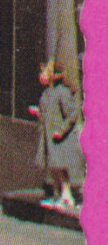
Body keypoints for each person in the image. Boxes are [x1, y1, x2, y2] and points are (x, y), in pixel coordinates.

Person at [34, 60, 85, 208]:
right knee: (54, 167)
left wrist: (61, 130)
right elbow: (47, 110)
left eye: (44, 72)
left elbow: (72, 114)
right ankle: (58, 195)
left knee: (61, 167)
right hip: (49, 137)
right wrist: (38, 112)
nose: (41, 75)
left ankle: (66, 195)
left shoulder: (61, 91)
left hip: (59, 139)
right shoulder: (47, 92)